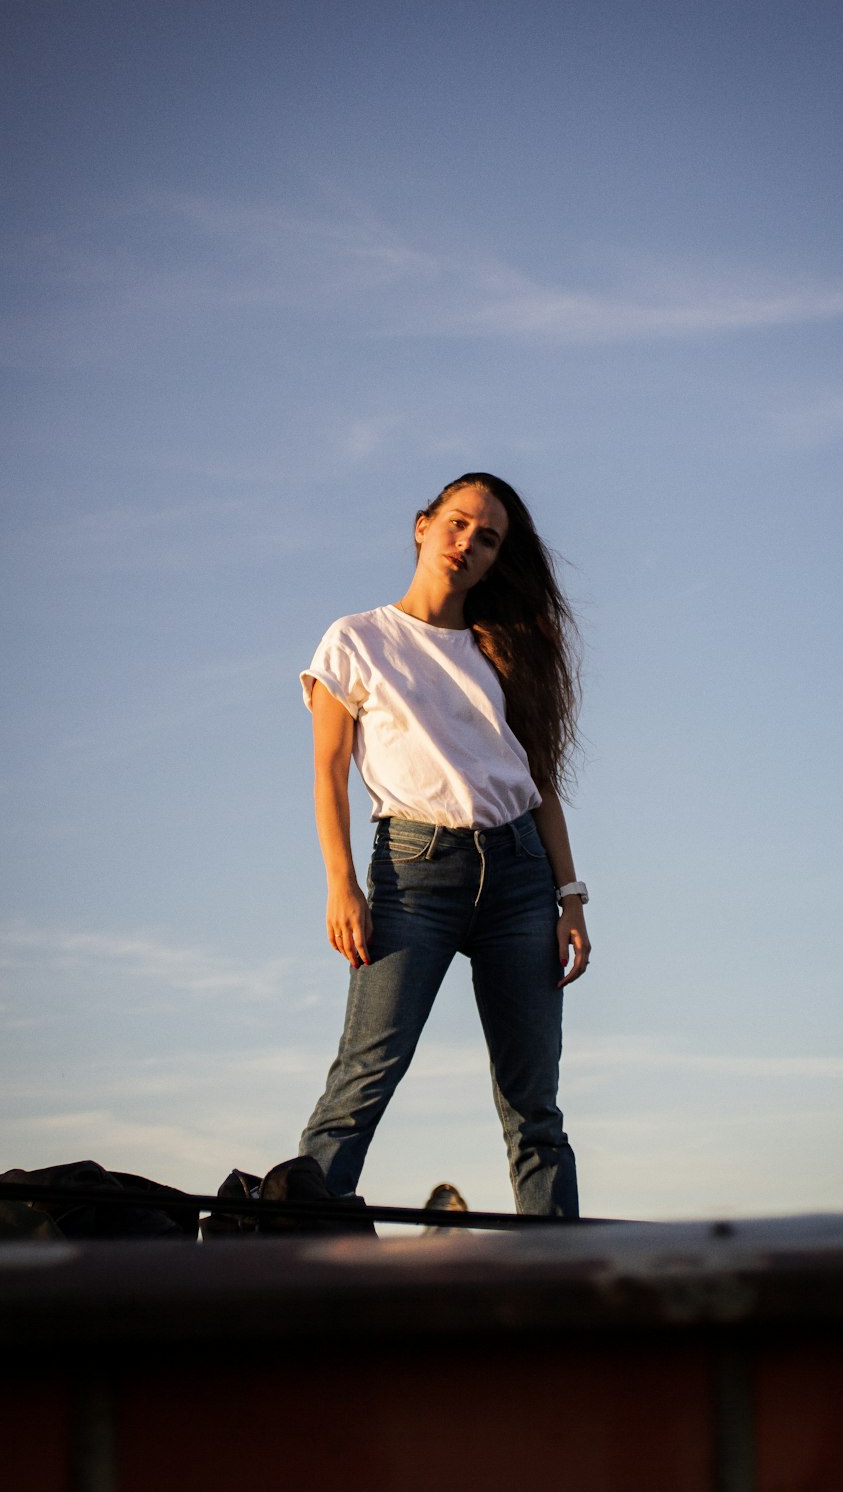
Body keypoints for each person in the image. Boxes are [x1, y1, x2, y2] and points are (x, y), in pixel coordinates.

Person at [297, 473, 590, 1216]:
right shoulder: (357, 639)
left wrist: (571, 895)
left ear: (496, 558)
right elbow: (329, 773)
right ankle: (289, 1257)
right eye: (458, 524)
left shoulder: (505, 652)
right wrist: (342, 885)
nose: (468, 543)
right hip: (413, 875)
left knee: (535, 1110)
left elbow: (539, 784)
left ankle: (558, 1287)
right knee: (363, 1078)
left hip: (523, 878)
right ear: (423, 525)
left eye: (487, 537)